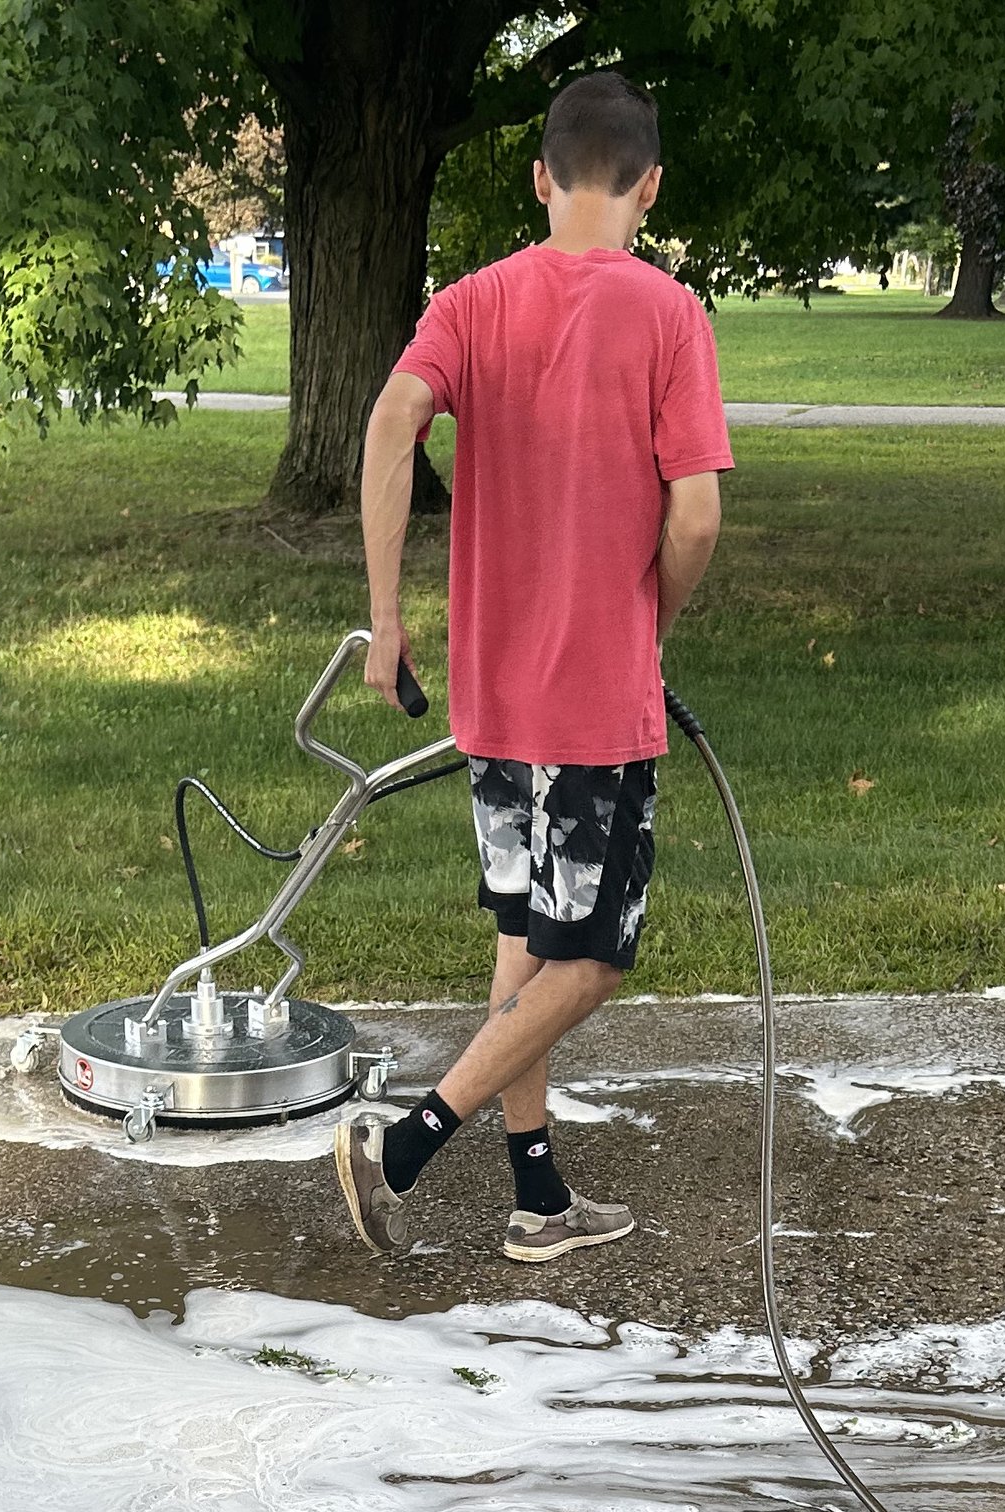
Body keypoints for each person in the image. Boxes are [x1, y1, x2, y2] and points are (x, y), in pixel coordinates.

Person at [337, 70, 730, 1266]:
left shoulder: (467, 305)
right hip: (592, 703)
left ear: (540, 178)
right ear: (650, 186)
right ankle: (406, 1143)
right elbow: (698, 516)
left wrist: (385, 619)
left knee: (527, 932)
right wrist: (648, 619)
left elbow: (390, 423)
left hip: (493, 698)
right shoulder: (669, 314)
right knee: (595, 953)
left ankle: (538, 1200)